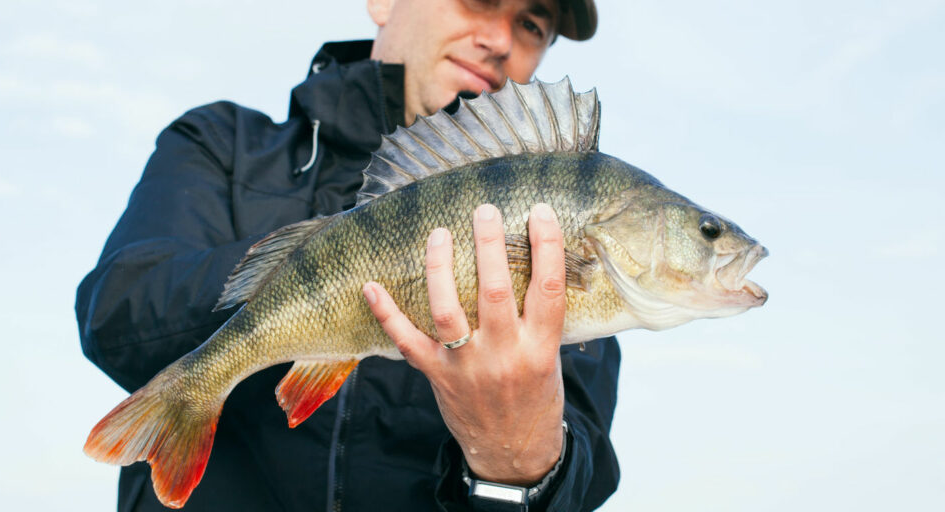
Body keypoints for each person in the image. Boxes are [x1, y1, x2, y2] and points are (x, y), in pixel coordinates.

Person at [76, 0, 621, 510]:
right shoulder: (220, 142)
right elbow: (115, 314)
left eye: (532, 23)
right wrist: (335, 269)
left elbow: (582, 470)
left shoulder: (553, 233)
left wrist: (521, 465)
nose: (501, 38)